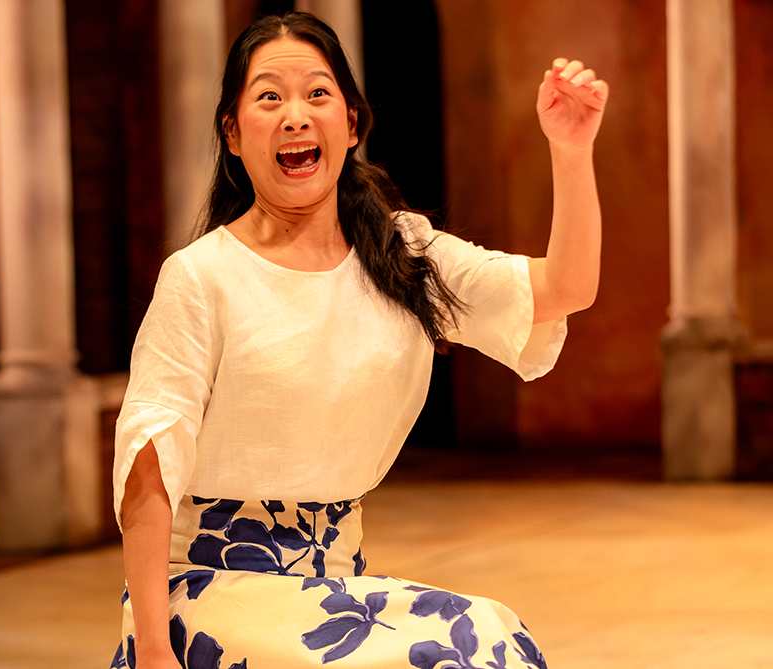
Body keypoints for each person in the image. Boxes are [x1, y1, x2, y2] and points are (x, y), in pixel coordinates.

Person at [111, 11, 607, 669]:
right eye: (268, 97)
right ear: (233, 133)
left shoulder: (403, 253)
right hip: (208, 591)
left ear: (350, 124)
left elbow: (565, 288)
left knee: (494, 639)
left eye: (317, 93)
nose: (295, 115)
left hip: (332, 590)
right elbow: (148, 471)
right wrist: (151, 649)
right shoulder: (202, 278)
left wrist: (571, 153)